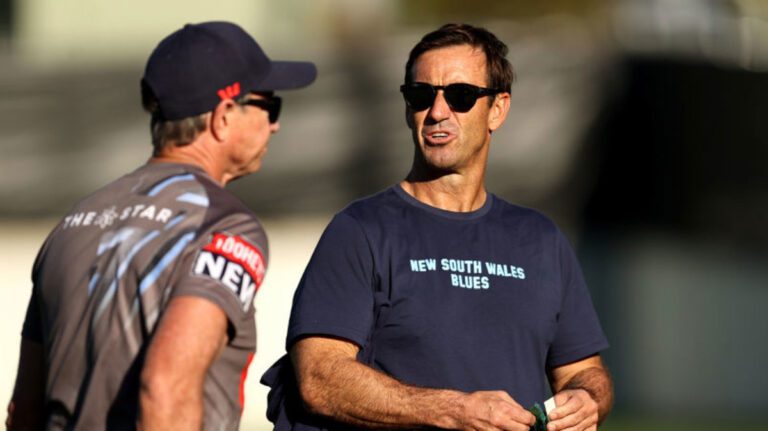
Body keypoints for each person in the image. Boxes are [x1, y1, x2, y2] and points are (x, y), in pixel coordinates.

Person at [263, 23, 612, 431]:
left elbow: (583, 371)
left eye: (461, 96)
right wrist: (454, 411)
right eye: (421, 95)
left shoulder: (541, 239)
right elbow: (320, 378)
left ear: (497, 109)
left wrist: (588, 399)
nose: (438, 111)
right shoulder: (360, 230)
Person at [6, 21, 316, 431]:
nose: (274, 124)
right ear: (223, 116)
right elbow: (165, 393)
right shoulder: (225, 226)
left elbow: (25, 411)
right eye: (269, 105)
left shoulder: (71, 224)